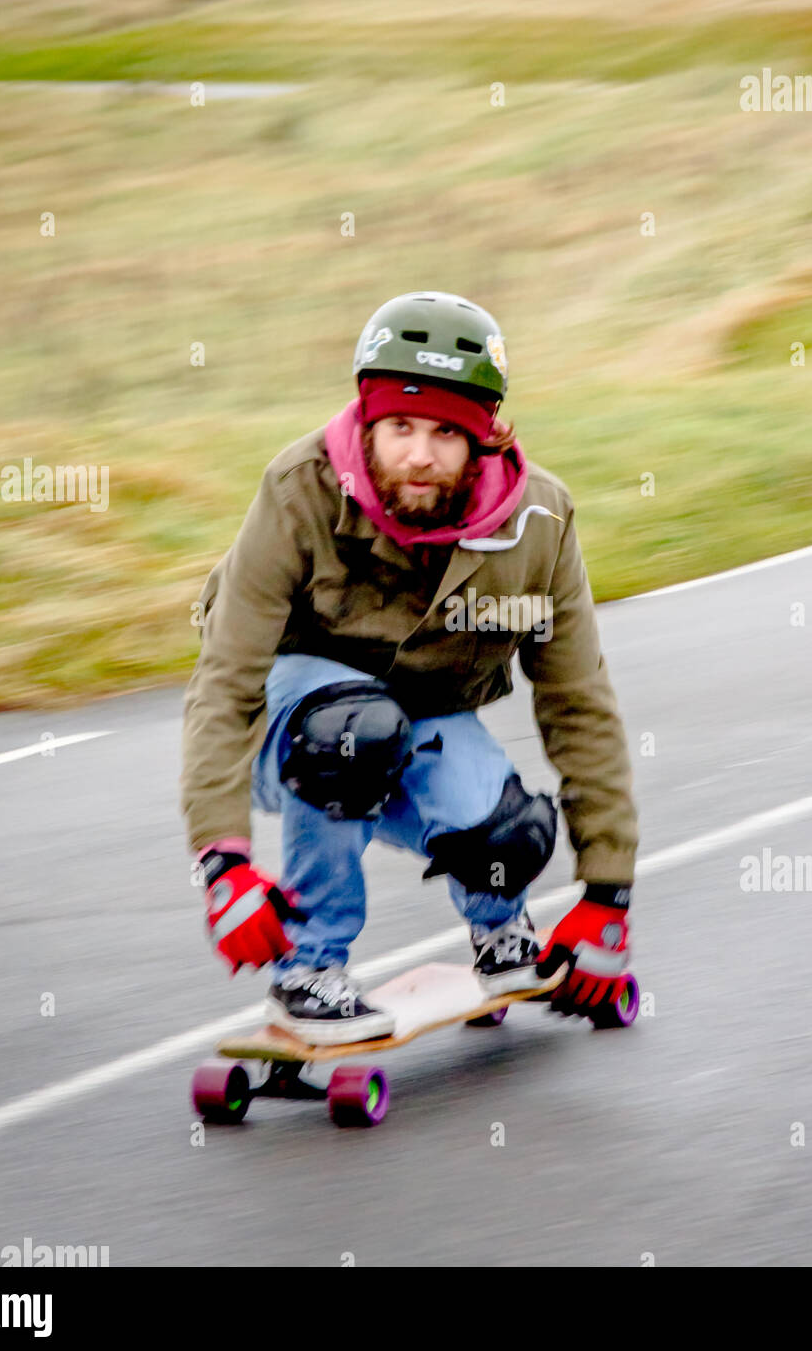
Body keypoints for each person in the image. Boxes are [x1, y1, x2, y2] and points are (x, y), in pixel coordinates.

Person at [180, 290, 638, 1044]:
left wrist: (607, 891)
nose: (418, 454)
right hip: (293, 725)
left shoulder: (539, 524)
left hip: (418, 716)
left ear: (483, 438)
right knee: (350, 736)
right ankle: (309, 970)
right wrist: (222, 863)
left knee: (507, 836)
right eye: (397, 426)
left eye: (443, 434)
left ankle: (502, 930)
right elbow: (225, 680)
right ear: (367, 421)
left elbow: (578, 701)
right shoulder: (298, 490)